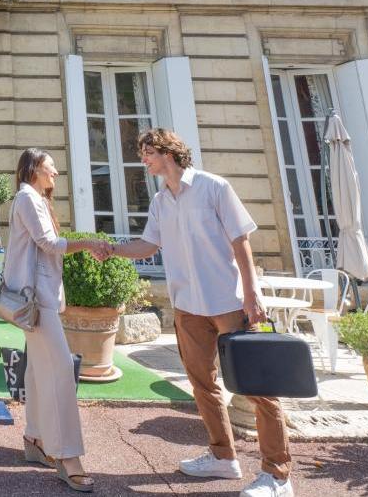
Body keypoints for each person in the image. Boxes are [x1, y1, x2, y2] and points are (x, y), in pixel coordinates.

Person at [108, 129, 294, 497]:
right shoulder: (161, 200)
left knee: (258, 389)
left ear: (168, 152)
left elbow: (241, 239)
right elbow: (149, 245)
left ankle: (278, 475)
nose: (142, 159)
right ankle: (223, 458)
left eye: (147, 152)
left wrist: (252, 292)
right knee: (203, 385)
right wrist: (110, 250)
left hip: (228, 302)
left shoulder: (213, 187)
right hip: (188, 307)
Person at [3, 148, 109, 493]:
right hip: (38, 298)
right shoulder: (27, 199)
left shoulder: (32, 198)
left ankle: (34, 438)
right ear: (34, 169)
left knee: (37, 368)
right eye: (51, 169)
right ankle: (67, 457)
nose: (56, 175)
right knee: (62, 368)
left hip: (38, 297)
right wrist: (88, 243)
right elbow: (48, 243)